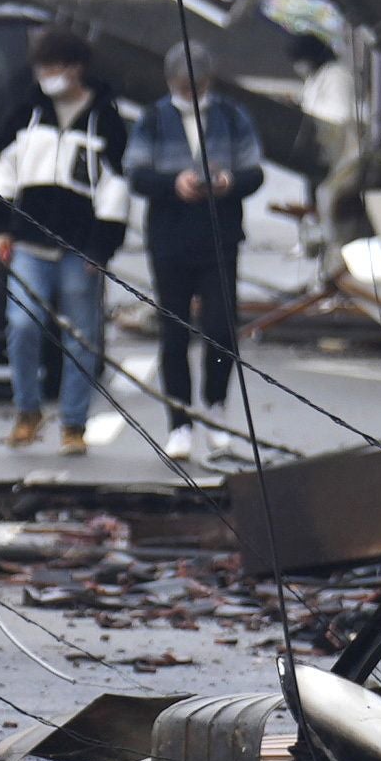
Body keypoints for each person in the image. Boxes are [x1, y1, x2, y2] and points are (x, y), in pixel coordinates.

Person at [0, 25, 125, 453]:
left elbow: (116, 187)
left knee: (81, 337)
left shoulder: (105, 119)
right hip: (27, 240)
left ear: (77, 68)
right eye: (43, 67)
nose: (48, 75)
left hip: (80, 246)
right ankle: (27, 410)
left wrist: (103, 246)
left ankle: (74, 423)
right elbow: (0, 166)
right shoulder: (25, 110)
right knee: (23, 324)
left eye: (56, 66)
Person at [120, 34, 258, 455]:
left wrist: (227, 182)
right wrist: (174, 184)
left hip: (220, 238)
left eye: (196, 86)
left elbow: (254, 172)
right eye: (183, 86)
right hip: (169, 238)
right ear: (170, 82)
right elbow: (137, 174)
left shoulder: (232, 116)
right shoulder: (153, 118)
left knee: (221, 330)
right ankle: (178, 421)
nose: (190, 92)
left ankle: (216, 408)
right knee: (174, 332)